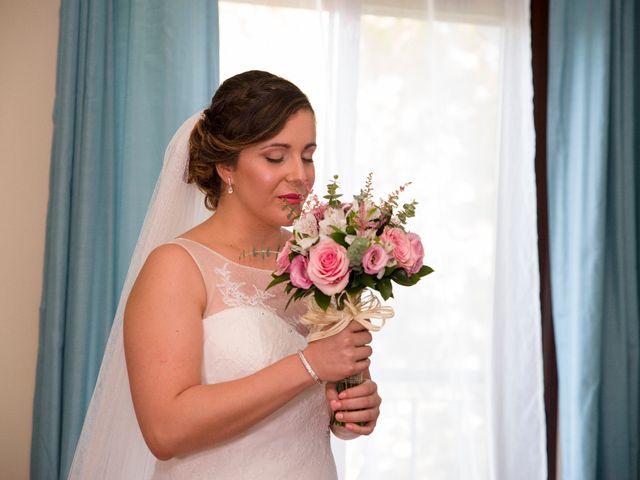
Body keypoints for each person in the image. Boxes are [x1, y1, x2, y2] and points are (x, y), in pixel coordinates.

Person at [69, 70, 381, 479]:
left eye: (307, 155)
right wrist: (309, 365)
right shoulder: (177, 267)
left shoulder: (324, 262)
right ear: (226, 167)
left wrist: (354, 408)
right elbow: (164, 430)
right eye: (275, 156)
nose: (300, 175)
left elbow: (328, 414)